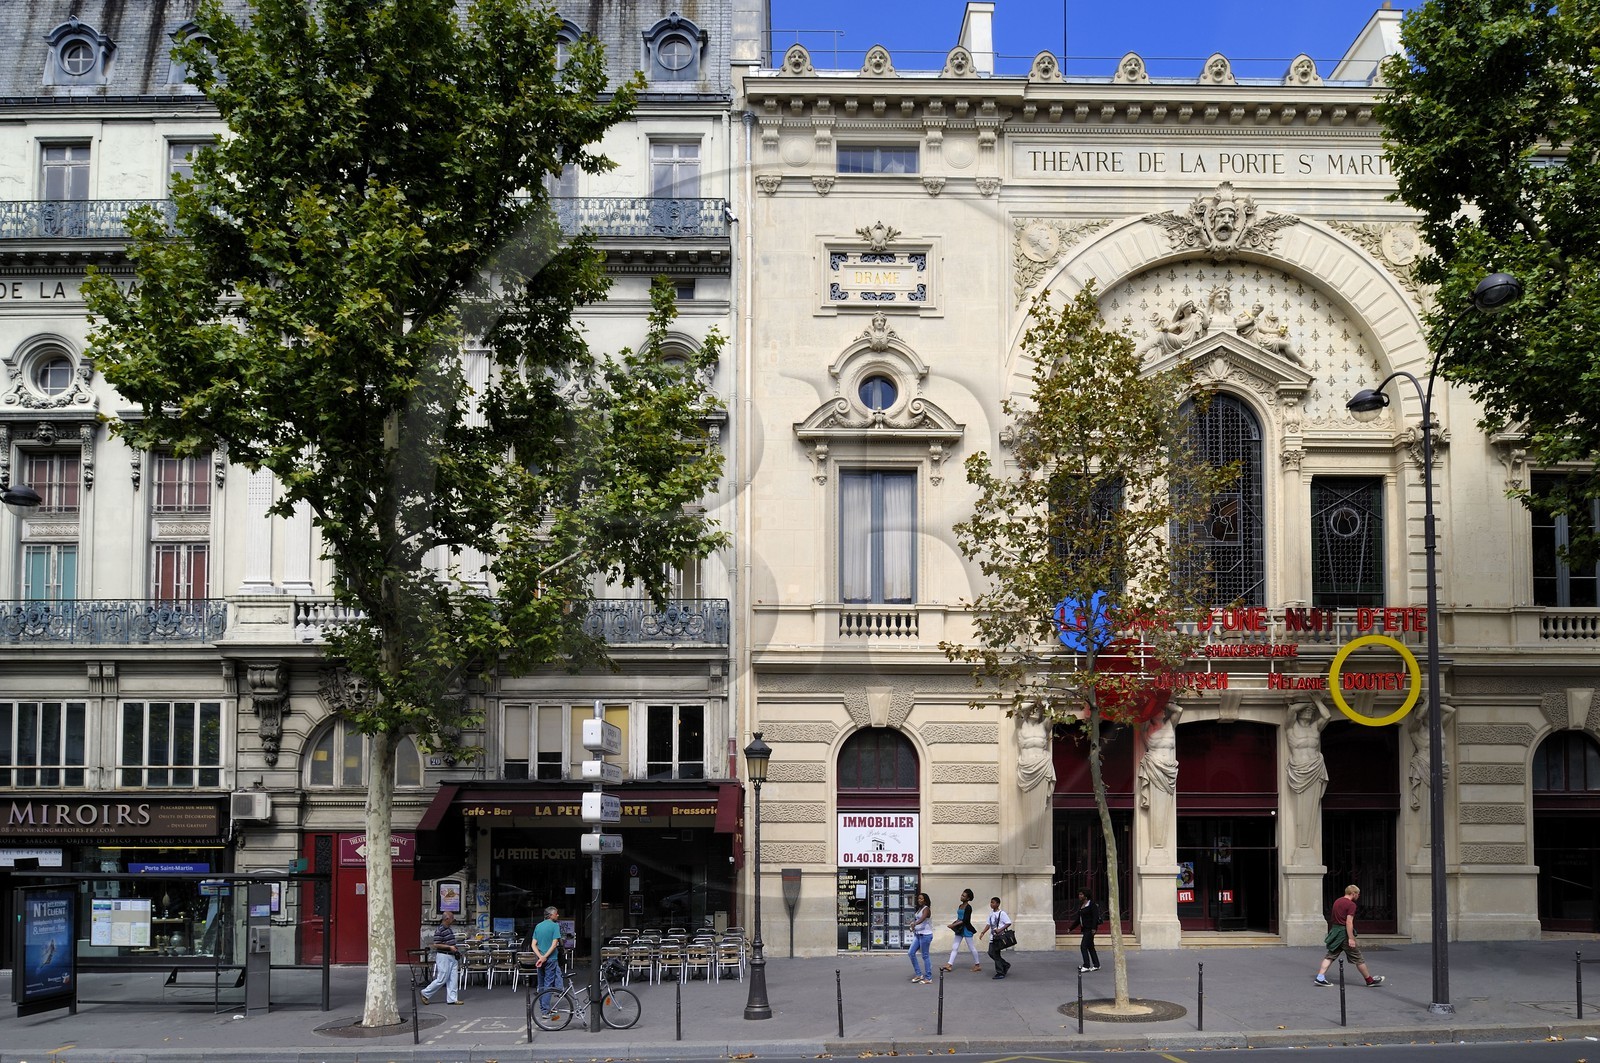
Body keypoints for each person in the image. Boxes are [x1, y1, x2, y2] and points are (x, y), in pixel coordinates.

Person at [1314, 885, 1385, 988]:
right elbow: (1349, 922)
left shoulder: (1337, 901)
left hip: (1335, 931)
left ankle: (1320, 977)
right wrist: (1351, 938)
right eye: (1358, 894)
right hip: (1344, 933)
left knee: (1330, 955)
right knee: (1358, 957)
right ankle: (1369, 980)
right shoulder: (1351, 905)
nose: (1358, 896)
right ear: (1353, 893)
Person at [419, 911, 463, 1005]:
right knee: (442, 978)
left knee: (453, 978)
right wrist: (449, 947)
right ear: (446, 919)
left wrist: (453, 948)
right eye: (452, 918)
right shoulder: (440, 929)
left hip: (452, 955)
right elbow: (436, 944)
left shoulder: (448, 929)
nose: (453, 920)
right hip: (444, 956)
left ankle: (452, 998)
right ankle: (425, 993)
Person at [939, 888, 982, 973]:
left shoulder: (968, 907)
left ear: (968, 898)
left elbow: (965, 920)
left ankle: (977, 965)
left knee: (971, 947)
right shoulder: (960, 906)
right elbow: (959, 918)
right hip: (959, 929)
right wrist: (954, 924)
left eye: (963, 896)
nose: (961, 897)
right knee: (955, 947)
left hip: (966, 929)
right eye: (961, 895)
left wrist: (953, 925)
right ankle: (949, 965)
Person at [532, 905, 566, 995]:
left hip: (540, 959)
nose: (558, 915)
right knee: (548, 983)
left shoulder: (538, 926)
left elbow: (533, 944)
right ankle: (545, 1007)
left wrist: (540, 957)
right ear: (551, 915)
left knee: (541, 983)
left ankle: (542, 1004)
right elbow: (554, 945)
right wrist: (545, 957)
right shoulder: (555, 926)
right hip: (551, 958)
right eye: (556, 914)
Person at [979, 896, 1013, 980]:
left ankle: (1000, 972)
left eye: (993, 902)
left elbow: (1008, 923)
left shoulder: (1002, 913)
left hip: (999, 937)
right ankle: (1005, 964)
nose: (991, 904)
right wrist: (983, 932)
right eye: (991, 902)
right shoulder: (991, 913)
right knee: (991, 953)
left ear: (998, 904)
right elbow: (988, 924)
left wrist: (1000, 929)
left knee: (995, 954)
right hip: (993, 937)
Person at [1069, 889, 1100, 973]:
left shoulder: (1092, 905)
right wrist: (1071, 928)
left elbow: (1095, 917)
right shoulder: (1082, 905)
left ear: (1086, 896)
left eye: (1081, 894)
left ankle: (1086, 965)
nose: (1079, 896)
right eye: (1079, 894)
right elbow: (1078, 919)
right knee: (1090, 947)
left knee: (1083, 946)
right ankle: (1096, 964)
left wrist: (1094, 928)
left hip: (1090, 929)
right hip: (1085, 928)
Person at [905, 892, 934, 983]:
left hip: (925, 935)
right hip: (918, 934)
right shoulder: (920, 909)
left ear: (925, 900)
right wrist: (913, 925)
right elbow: (917, 919)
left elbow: (922, 918)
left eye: (921, 899)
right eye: (918, 899)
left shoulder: (926, 909)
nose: (919, 900)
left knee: (925, 956)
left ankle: (928, 978)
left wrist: (915, 924)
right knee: (911, 952)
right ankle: (919, 974)